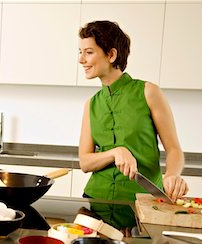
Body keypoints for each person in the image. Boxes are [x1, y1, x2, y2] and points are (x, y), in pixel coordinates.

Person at [77, 21, 189, 231]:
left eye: (89, 52)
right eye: (80, 52)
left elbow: (174, 149)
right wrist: (115, 152)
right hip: (95, 205)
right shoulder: (91, 104)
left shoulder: (148, 92)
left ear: (111, 55)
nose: (81, 59)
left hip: (142, 206)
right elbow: (85, 162)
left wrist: (172, 174)